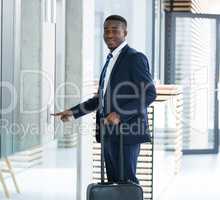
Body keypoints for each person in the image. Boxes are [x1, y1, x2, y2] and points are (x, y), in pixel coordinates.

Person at [52, 15, 156, 184]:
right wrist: (73, 112)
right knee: (114, 184)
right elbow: (101, 99)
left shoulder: (134, 58)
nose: (109, 35)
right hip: (109, 133)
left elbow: (149, 94)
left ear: (125, 32)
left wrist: (120, 115)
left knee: (127, 184)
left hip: (127, 133)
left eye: (114, 30)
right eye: (106, 31)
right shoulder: (110, 61)